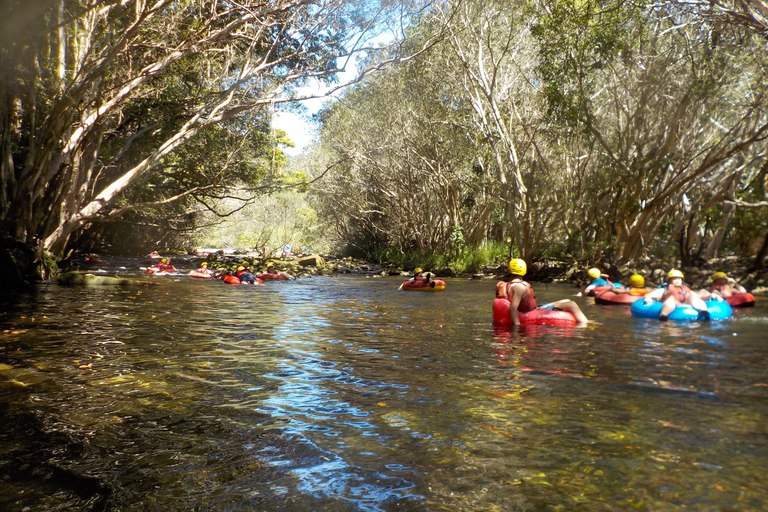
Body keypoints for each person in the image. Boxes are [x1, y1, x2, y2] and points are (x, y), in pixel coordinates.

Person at [497, 259, 588, 325]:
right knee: (571, 304)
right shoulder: (520, 287)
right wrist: (517, 327)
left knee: (566, 300)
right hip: (531, 312)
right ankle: (585, 324)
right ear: (524, 271)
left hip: (534, 309)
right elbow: (513, 308)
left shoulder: (508, 285)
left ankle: (585, 321)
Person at [644, 269, 709, 321]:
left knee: (692, 297)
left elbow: (699, 296)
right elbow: (649, 295)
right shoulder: (665, 289)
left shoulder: (686, 289)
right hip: (674, 303)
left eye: (679, 279)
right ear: (669, 281)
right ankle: (663, 315)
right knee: (671, 298)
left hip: (685, 303)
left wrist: (709, 296)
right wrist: (648, 298)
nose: (677, 281)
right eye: (674, 279)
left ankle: (704, 312)